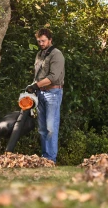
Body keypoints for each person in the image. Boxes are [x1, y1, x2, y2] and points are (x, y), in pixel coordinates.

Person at [26, 28, 65, 163]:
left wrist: (36, 86)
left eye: (43, 41)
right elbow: (37, 76)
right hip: (40, 93)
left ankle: (51, 159)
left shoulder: (56, 54)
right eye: (39, 41)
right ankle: (45, 158)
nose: (41, 43)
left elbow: (53, 77)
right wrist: (31, 87)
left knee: (50, 127)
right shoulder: (39, 54)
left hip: (53, 93)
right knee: (42, 128)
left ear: (50, 40)